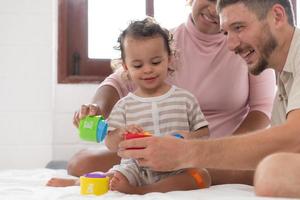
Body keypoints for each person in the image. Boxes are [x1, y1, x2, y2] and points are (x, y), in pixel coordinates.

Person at [67, 0, 276, 185]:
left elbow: (262, 109)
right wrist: (97, 109)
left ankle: (172, 177)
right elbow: (117, 82)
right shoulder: (165, 43)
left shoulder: (248, 47)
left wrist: (221, 151)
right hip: (155, 150)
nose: (213, 9)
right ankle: (167, 174)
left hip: (221, 150)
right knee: (80, 163)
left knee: (262, 170)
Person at [117, 0, 300, 198]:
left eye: (239, 27)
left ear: (277, 16)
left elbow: (293, 138)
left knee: (273, 171)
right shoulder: (285, 73)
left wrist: (187, 152)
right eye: (226, 33)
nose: (230, 45)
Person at [48, 18, 211, 194]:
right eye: (138, 65)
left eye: (155, 62)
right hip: (135, 167)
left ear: (169, 60)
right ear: (126, 67)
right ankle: (78, 183)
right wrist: (120, 134)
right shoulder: (124, 105)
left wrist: (188, 136)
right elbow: (111, 144)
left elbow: (204, 132)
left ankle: (142, 190)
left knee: (202, 176)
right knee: (114, 175)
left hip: (176, 165)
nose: (147, 69)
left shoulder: (185, 99)